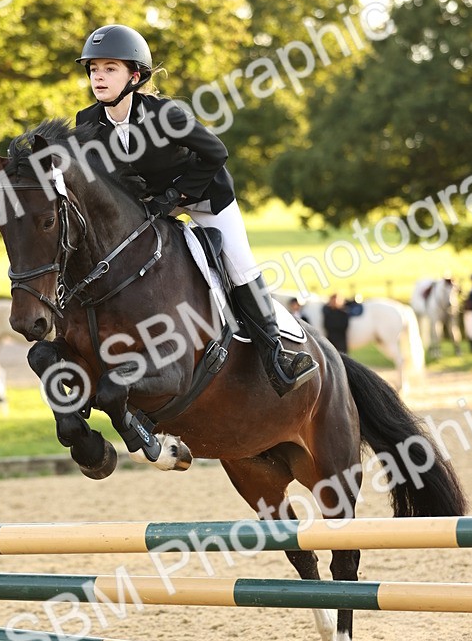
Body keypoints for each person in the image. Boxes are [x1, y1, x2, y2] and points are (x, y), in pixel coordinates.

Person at [74, 23, 318, 397]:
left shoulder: (165, 114)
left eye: (109, 68)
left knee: (238, 265)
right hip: (151, 208)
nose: (98, 77)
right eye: (93, 69)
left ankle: (277, 356)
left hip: (204, 195)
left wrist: (176, 196)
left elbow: (216, 153)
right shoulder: (87, 122)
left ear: (134, 76)